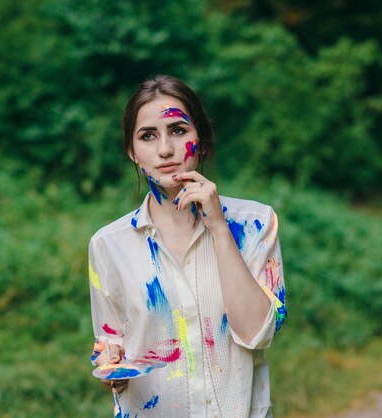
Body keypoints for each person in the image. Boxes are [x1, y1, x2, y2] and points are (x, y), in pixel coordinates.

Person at [88, 75, 287, 418]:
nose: (165, 149)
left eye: (178, 131)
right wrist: (111, 367)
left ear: (203, 142)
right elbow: (110, 344)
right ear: (132, 152)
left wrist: (220, 231)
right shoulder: (109, 245)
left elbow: (258, 334)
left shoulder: (255, 225)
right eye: (148, 136)